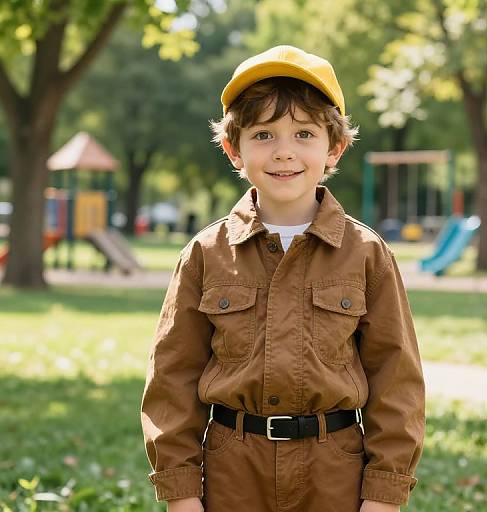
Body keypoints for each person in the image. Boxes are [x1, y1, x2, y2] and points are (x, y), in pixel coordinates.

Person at [140, 45, 425, 512]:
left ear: (334, 147)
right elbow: (172, 380)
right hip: (231, 473)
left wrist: (384, 496)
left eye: (305, 133)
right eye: (264, 134)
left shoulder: (368, 254)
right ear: (235, 149)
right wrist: (182, 494)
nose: (285, 152)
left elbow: (397, 382)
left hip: (335, 474)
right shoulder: (205, 254)